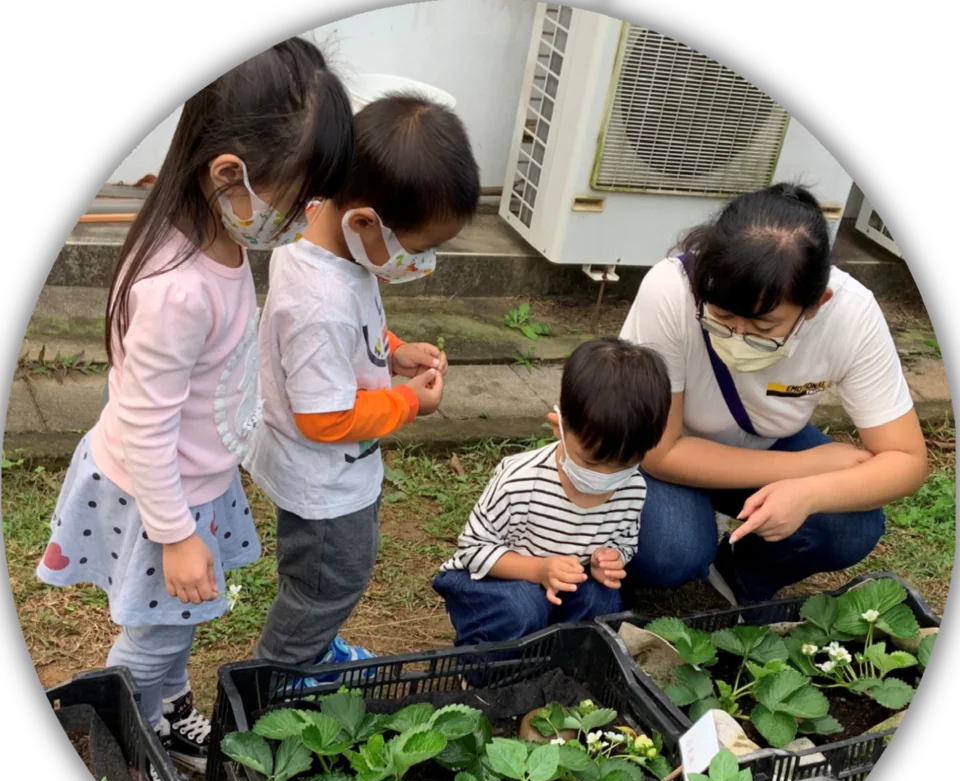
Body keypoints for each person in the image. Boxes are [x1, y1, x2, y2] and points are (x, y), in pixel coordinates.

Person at [36, 39, 354, 781]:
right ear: (228, 174)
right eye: (300, 197)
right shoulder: (176, 288)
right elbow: (145, 422)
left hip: (192, 482)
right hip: (160, 496)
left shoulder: (218, 234)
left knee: (175, 624)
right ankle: (122, 740)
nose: (306, 215)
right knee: (148, 636)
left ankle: (165, 704)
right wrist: (175, 534)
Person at [244, 94, 480, 684]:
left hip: (338, 471)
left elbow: (352, 336)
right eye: (421, 248)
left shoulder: (328, 248)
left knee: (321, 578)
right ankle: (274, 682)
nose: (423, 262)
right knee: (329, 582)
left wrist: (393, 351)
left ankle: (311, 650)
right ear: (364, 222)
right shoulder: (320, 303)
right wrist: (409, 403)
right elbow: (323, 419)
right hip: (323, 479)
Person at [619, 183, 928, 606]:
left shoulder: (852, 315)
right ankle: (631, 566)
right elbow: (659, 451)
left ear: (816, 304)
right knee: (672, 550)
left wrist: (809, 492)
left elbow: (907, 461)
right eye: (721, 317)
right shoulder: (670, 290)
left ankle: (743, 575)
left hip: (764, 441)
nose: (738, 336)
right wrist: (800, 466)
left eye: (764, 329)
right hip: (667, 451)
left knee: (848, 527)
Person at [433, 338, 671, 645]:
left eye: (625, 464)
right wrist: (538, 569)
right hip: (494, 583)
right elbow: (474, 550)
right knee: (522, 606)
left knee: (606, 602)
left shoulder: (633, 487)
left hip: (565, 585)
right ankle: (483, 669)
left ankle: (561, 662)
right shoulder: (520, 480)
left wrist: (612, 559)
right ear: (559, 427)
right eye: (591, 461)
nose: (606, 476)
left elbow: (624, 541)